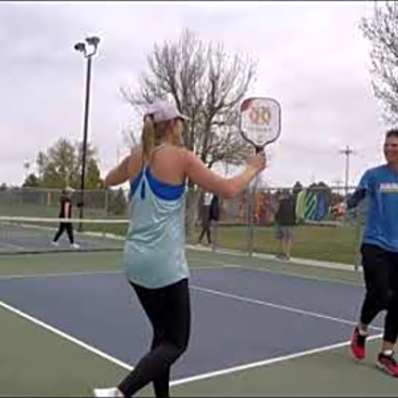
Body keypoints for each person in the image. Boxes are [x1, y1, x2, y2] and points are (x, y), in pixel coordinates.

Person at [94, 100, 266, 398]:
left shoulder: (136, 157)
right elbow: (227, 189)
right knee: (176, 343)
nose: (184, 127)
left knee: (162, 337)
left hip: (135, 262)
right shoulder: (182, 158)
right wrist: (252, 168)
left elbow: (109, 179)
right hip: (164, 265)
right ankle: (120, 393)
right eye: (181, 122)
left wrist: (118, 174)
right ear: (172, 125)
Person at [332, 129, 398, 379]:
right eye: (386, 145)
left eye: (394, 145)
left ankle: (386, 354)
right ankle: (361, 329)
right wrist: (343, 205)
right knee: (379, 293)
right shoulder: (373, 176)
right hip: (375, 244)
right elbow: (356, 197)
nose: (388, 149)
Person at [274, 189, 296, 260]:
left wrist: (276, 219)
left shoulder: (281, 202)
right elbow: (294, 213)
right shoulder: (292, 203)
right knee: (288, 238)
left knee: (283, 238)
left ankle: (285, 254)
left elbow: (278, 212)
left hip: (282, 222)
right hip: (290, 223)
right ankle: (287, 253)